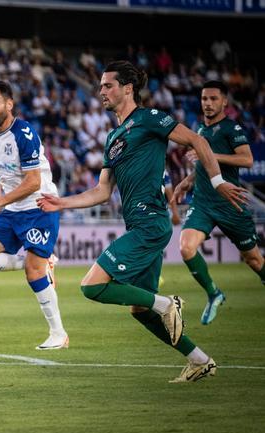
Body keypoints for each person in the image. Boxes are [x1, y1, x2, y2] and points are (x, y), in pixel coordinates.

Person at [36, 61, 247, 382]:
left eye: (108, 85)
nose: (101, 91)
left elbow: (199, 142)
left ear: (127, 88)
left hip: (151, 223)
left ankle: (167, 303)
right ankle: (199, 359)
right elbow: (102, 191)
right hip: (138, 226)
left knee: (92, 286)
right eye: (101, 86)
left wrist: (218, 182)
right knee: (139, 310)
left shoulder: (149, 119)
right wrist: (62, 203)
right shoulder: (113, 137)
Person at [0, 81, 68, 350]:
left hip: (39, 207)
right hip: (12, 209)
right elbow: (0, 170)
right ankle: (37, 261)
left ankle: (58, 333)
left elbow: (33, 182)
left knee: (33, 273)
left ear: (9, 104)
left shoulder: (24, 133)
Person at [174, 80, 263, 325]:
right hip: (203, 202)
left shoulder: (231, 129)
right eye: (204, 99)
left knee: (254, 260)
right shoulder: (200, 130)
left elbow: (246, 159)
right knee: (185, 247)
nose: (208, 103)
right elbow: (205, 165)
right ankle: (214, 293)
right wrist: (187, 181)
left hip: (228, 203)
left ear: (224, 102)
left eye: (214, 99)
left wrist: (209, 155)